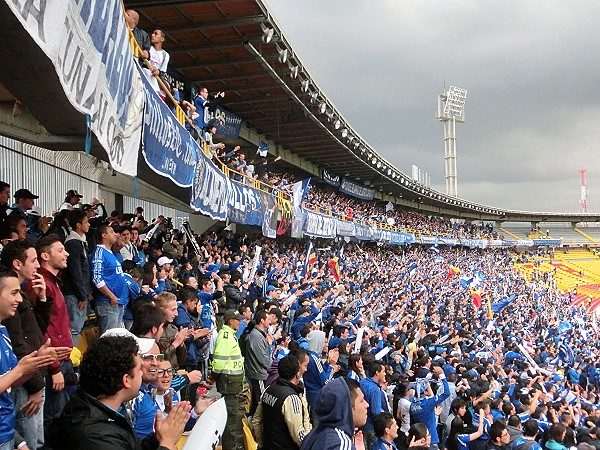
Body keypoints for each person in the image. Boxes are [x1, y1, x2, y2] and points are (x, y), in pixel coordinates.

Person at [47, 331, 191, 449]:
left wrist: (157, 439)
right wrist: (166, 444)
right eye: (139, 369)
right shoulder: (94, 435)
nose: (142, 373)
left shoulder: (105, 411)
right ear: (126, 380)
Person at [0, 267, 60, 450]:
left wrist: (35, 364)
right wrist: (21, 369)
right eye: (14, 293)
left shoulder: (3, 332)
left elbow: (11, 382)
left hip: (8, 432)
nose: (19, 299)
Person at [22, 235, 75, 437]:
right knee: (52, 420)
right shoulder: (39, 283)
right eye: (60, 250)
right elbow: (38, 328)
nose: (66, 253)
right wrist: (53, 368)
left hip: (62, 359)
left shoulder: (53, 282)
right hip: (54, 363)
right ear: (46, 255)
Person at [252, 354, 312, 450]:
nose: (305, 370)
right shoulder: (292, 398)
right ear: (297, 373)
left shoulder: (268, 390)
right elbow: (299, 436)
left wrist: (262, 444)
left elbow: (256, 421)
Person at [299, 377, 369, 450]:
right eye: (361, 400)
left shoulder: (311, 437)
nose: (367, 405)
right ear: (346, 407)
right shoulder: (341, 444)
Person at [212, 309, 245, 450]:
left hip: (232, 382)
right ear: (230, 321)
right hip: (229, 382)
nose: (240, 322)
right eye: (237, 320)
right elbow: (219, 361)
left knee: (232, 415)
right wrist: (212, 377)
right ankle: (229, 447)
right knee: (231, 418)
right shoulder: (225, 336)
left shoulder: (230, 335)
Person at [62, 209, 91, 346]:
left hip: (79, 293)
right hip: (74, 294)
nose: (89, 225)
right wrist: (81, 295)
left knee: (77, 328)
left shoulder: (80, 242)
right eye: (86, 222)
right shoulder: (72, 243)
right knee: (74, 329)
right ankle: (71, 360)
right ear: (78, 225)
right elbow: (75, 271)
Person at [91, 223, 127, 334]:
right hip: (108, 304)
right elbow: (97, 278)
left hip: (117, 303)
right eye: (111, 232)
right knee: (109, 340)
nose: (115, 234)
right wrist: (111, 296)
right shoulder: (99, 253)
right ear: (104, 235)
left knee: (116, 339)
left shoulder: (111, 253)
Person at [409, 365, 450, 450]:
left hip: (420, 440)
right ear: (425, 391)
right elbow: (446, 393)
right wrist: (442, 375)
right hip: (431, 441)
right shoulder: (427, 403)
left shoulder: (412, 405)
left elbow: (412, 425)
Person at [246, 309, 274, 417]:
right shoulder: (256, 337)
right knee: (260, 401)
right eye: (268, 319)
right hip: (259, 374)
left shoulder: (259, 335)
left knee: (256, 401)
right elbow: (264, 360)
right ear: (262, 320)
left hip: (258, 372)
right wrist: (269, 346)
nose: (270, 321)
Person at [361, 360, 391, 450]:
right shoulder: (375, 390)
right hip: (371, 427)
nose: (385, 374)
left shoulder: (363, 382)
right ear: (377, 372)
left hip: (361, 425)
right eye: (383, 371)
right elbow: (376, 412)